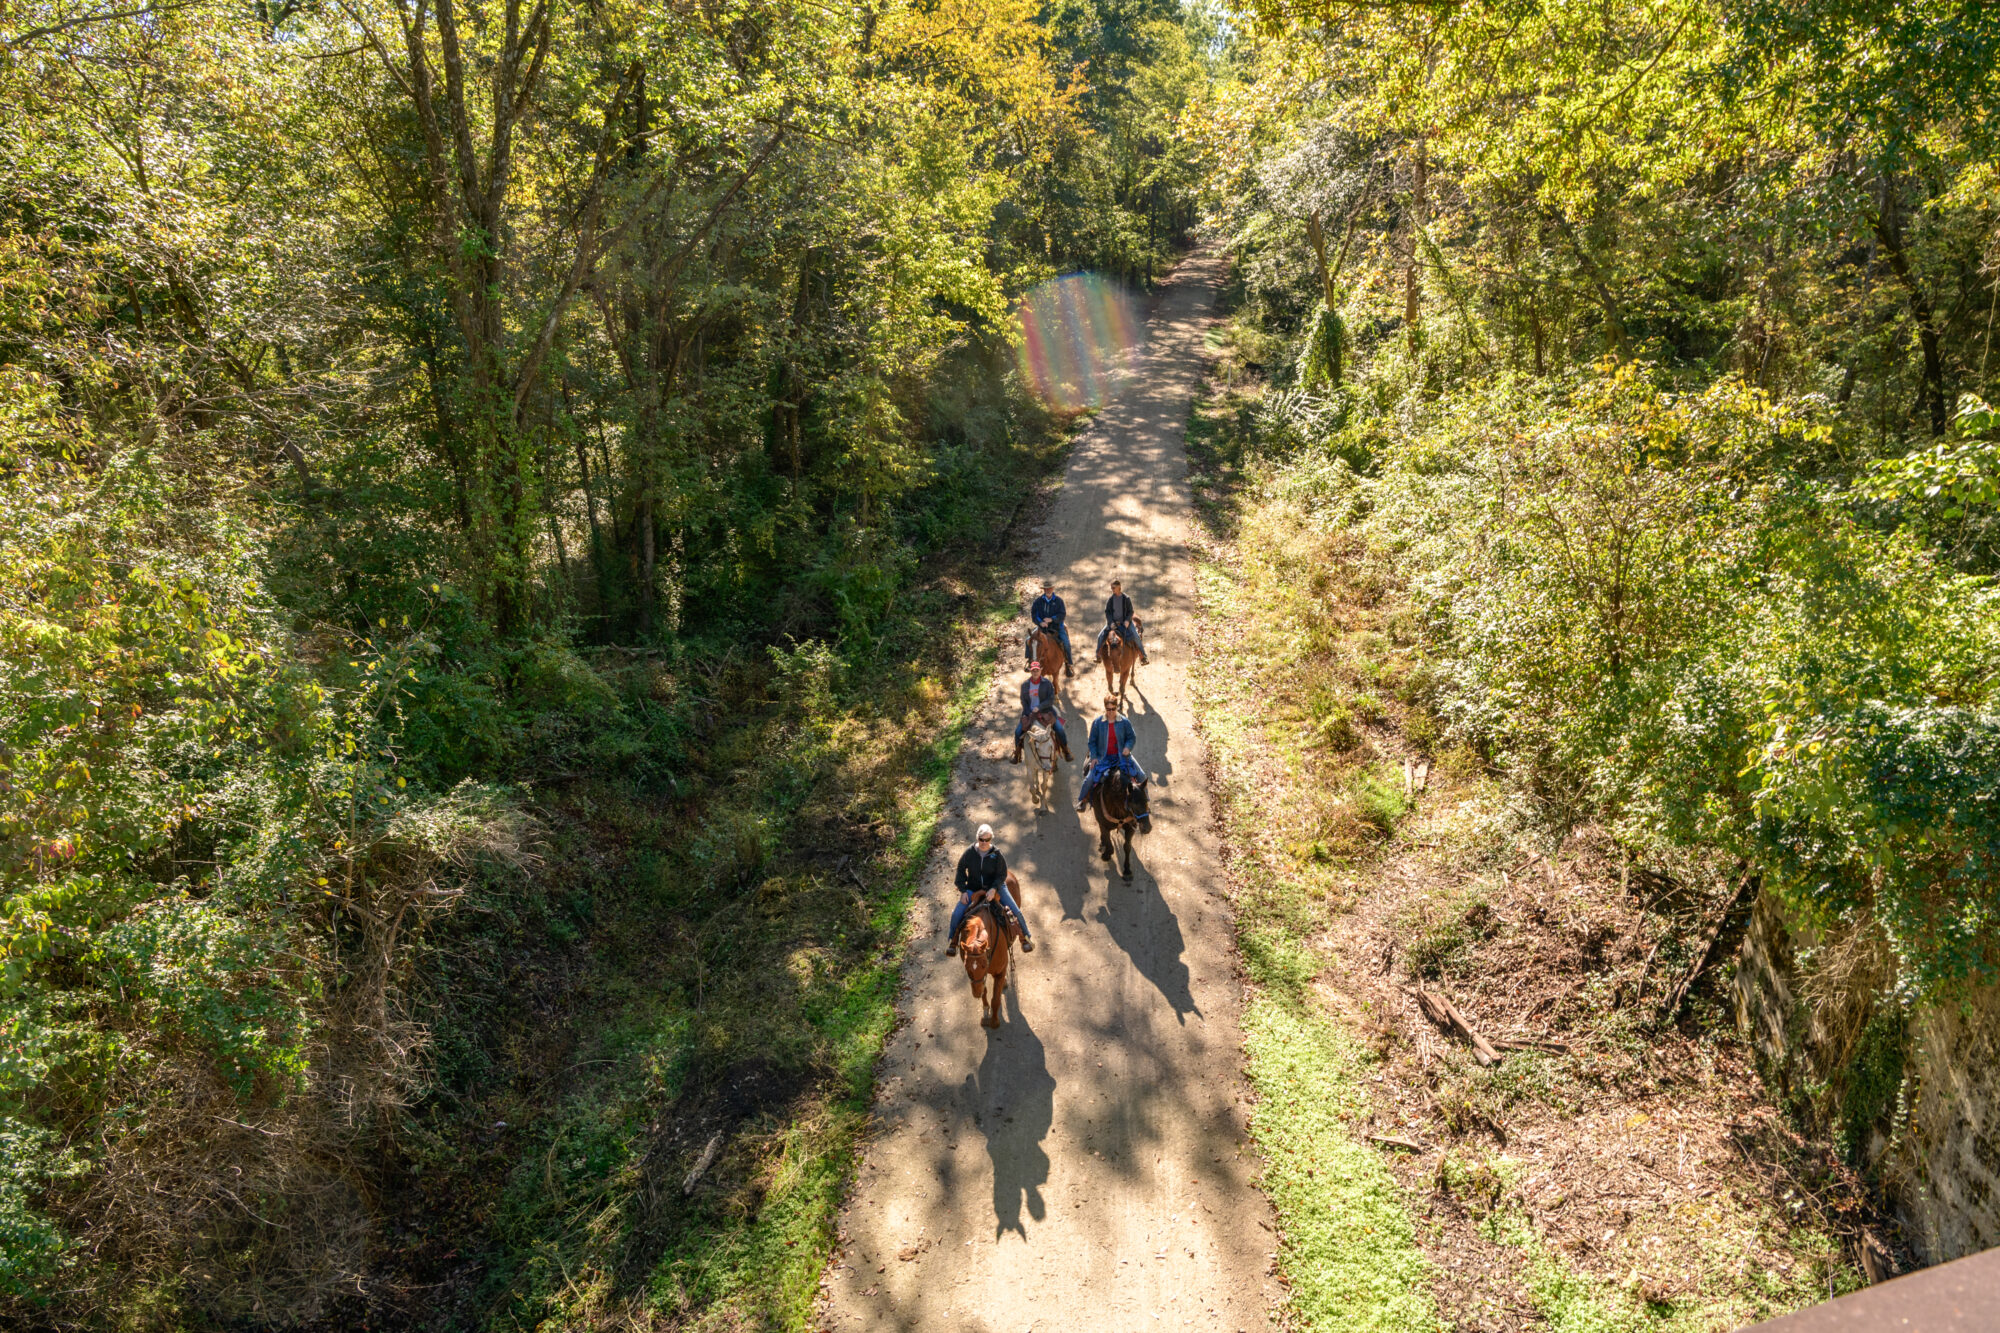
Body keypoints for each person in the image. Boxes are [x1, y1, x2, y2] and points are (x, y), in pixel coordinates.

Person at [948, 824, 1033, 955]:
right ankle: (952, 942)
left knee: (1015, 911)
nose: (984, 843)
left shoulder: (996, 854)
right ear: (977, 838)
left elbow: (1002, 874)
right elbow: (960, 871)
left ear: (991, 839)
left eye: (987, 840)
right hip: (973, 888)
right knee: (956, 913)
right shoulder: (969, 853)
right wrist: (963, 890)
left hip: (996, 888)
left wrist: (993, 889)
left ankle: (1025, 938)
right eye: (981, 839)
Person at [1076, 694, 1149, 823]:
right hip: (1103, 758)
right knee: (1089, 779)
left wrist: (1128, 747)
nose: (1110, 712)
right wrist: (1093, 757)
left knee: (1142, 775)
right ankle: (1083, 800)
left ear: (1117, 708)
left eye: (1113, 709)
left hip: (1122, 757)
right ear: (1105, 708)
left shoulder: (1125, 722)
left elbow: (1132, 737)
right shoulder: (1098, 723)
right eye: (1108, 709)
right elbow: (1092, 742)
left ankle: (1146, 803)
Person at [1011, 660, 1072, 763]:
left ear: (1040, 671)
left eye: (1037, 670)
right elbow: (1023, 701)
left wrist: (1039, 707)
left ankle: (1066, 751)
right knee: (1017, 732)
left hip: (1046, 712)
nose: (1035, 672)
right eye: (1033, 670)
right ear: (1030, 671)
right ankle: (1017, 754)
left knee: (1060, 730)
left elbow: (1051, 699)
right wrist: (1029, 712)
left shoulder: (1047, 683)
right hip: (1029, 713)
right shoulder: (1025, 685)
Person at [1093, 577, 1149, 666]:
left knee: (1136, 636)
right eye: (1111, 588)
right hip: (1113, 624)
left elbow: (1131, 611)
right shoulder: (1110, 599)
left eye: (1113, 588)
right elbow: (1107, 612)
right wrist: (1111, 622)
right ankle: (1098, 655)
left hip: (1125, 623)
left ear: (1119, 587)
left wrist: (1127, 621)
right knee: (1100, 636)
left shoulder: (1126, 598)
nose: (1112, 590)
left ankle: (1143, 657)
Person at [1026, 578, 1072, 674]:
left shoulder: (1059, 601)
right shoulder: (1038, 602)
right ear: (1043, 590)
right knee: (1028, 640)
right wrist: (1040, 622)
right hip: (1042, 628)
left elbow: (1062, 614)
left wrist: (1052, 619)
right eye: (1046, 589)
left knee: (1066, 642)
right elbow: (1034, 615)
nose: (1048, 590)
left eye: (1050, 588)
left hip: (1056, 627)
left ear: (1052, 589)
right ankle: (1029, 661)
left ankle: (1068, 664)